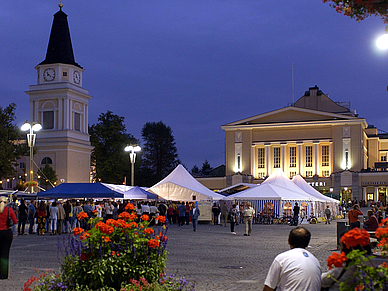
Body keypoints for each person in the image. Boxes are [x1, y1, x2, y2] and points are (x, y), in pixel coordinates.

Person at [263, 227, 321, 291]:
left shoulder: (282, 258)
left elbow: (268, 287)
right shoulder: (315, 261)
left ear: (288, 241)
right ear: (307, 243)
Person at [0, 196, 17, 279]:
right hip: (7, 232)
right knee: (5, 254)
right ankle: (4, 274)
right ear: (6, 202)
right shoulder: (9, 210)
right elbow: (15, 221)